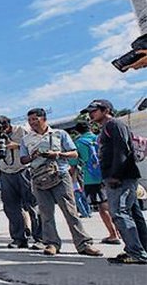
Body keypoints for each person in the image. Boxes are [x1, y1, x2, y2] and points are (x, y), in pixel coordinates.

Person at [20, 108, 101, 257]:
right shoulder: (26, 139)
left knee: (70, 211)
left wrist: (57, 154)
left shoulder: (60, 134)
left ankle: (83, 243)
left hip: (60, 174)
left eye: (34, 119)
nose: (32, 123)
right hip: (38, 177)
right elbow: (23, 159)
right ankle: (52, 243)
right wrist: (33, 156)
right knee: (45, 213)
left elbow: (74, 153)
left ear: (43, 118)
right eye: (30, 120)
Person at [82, 100, 147, 264]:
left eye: (94, 110)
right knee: (132, 214)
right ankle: (141, 249)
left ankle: (136, 252)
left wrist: (115, 175)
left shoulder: (114, 125)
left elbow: (122, 150)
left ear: (106, 110)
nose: (91, 114)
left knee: (119, 213)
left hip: (122, 178)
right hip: (120, 177)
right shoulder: (107, 127)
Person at [0, 114, 41, 249]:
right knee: (11, 208)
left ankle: (40, 237)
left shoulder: (21, 130)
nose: (0, 132)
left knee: (32, 205)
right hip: (6, 172)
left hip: (23, 170)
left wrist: (16, 146)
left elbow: (35, 147)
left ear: (7, 124)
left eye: (1, 129)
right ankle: (19, 238)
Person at [74, 121, 120, 244]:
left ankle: (113, 234)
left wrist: (73, 180)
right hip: (108, 174)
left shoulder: (78, 143)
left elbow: (73, 164)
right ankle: (120, 231)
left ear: (77, 131)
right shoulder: (99, 138)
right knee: (112, 205)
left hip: (91, 178)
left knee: (102, 207)